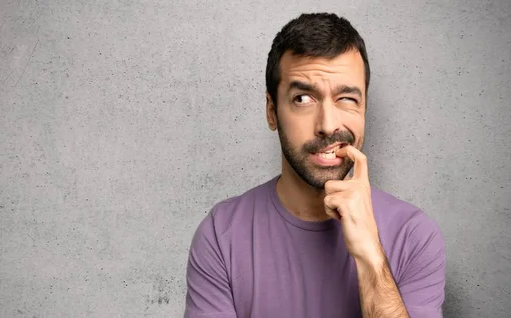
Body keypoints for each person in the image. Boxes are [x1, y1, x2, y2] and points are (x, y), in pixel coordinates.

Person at [184, 12, 446, 318]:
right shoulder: (221, 233)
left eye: (346, 98)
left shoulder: (414, 235)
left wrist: (370, 256)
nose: (328, 125)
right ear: (272, 111)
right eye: (303, 98)